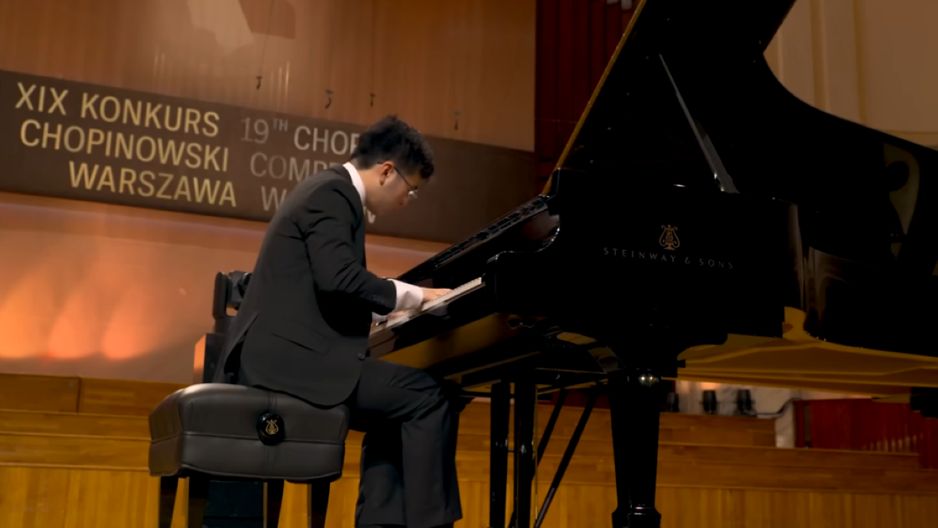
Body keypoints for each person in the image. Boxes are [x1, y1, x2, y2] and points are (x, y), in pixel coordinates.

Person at [214, 115, 462, 528]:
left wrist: (387, 310)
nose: (407, 200)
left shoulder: (326, 189)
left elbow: (325, 286)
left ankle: (382, 523)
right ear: (387, 172)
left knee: (397, 404)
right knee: (430, 396)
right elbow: (339, 278)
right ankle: (429, 525)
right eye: (411, 189)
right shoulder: (333, 193)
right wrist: (417, 296)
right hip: (289, 365)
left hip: (287, 357)